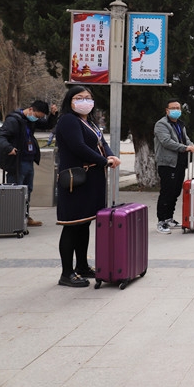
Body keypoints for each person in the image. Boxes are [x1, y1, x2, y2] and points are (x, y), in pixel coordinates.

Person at [55, 86, 121, 287]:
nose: (84, 101)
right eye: (79, 97)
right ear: (70, 100)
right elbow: (78, 147)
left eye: (88, 97)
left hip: (91, 180)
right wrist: (103, 161)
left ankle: (82, 266)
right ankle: (67, 273)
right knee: (72, 225)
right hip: (76, 180)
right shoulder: (68, 120)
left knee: (83, 224)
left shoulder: (89, 121)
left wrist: (110, 155)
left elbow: (101, 143)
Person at [0, 99, 58, 227]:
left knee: (27, 190)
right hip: (18, 161)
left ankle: (25, 216)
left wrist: (53, 115)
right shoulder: (13, 120)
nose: (37, 119)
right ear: (31, 109)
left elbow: (47, 125)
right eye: (37, 116)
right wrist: (8, 148)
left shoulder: (30, 120)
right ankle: (13, 219)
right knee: (16, 190)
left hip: (29, 160)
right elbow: (1, 136)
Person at [153, 98, 194, 234]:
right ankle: (161, 221)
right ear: (167, 110)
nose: (176, 110)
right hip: (167, 163)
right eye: (173, 108)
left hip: (179, 163)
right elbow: (166, 141)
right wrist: (185, 148)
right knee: (167, 192)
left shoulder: (180, 124)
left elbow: (185, 139)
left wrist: (191, 145)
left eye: (178, 108)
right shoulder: (161, 124)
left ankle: (169, 218)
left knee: (175, 192)